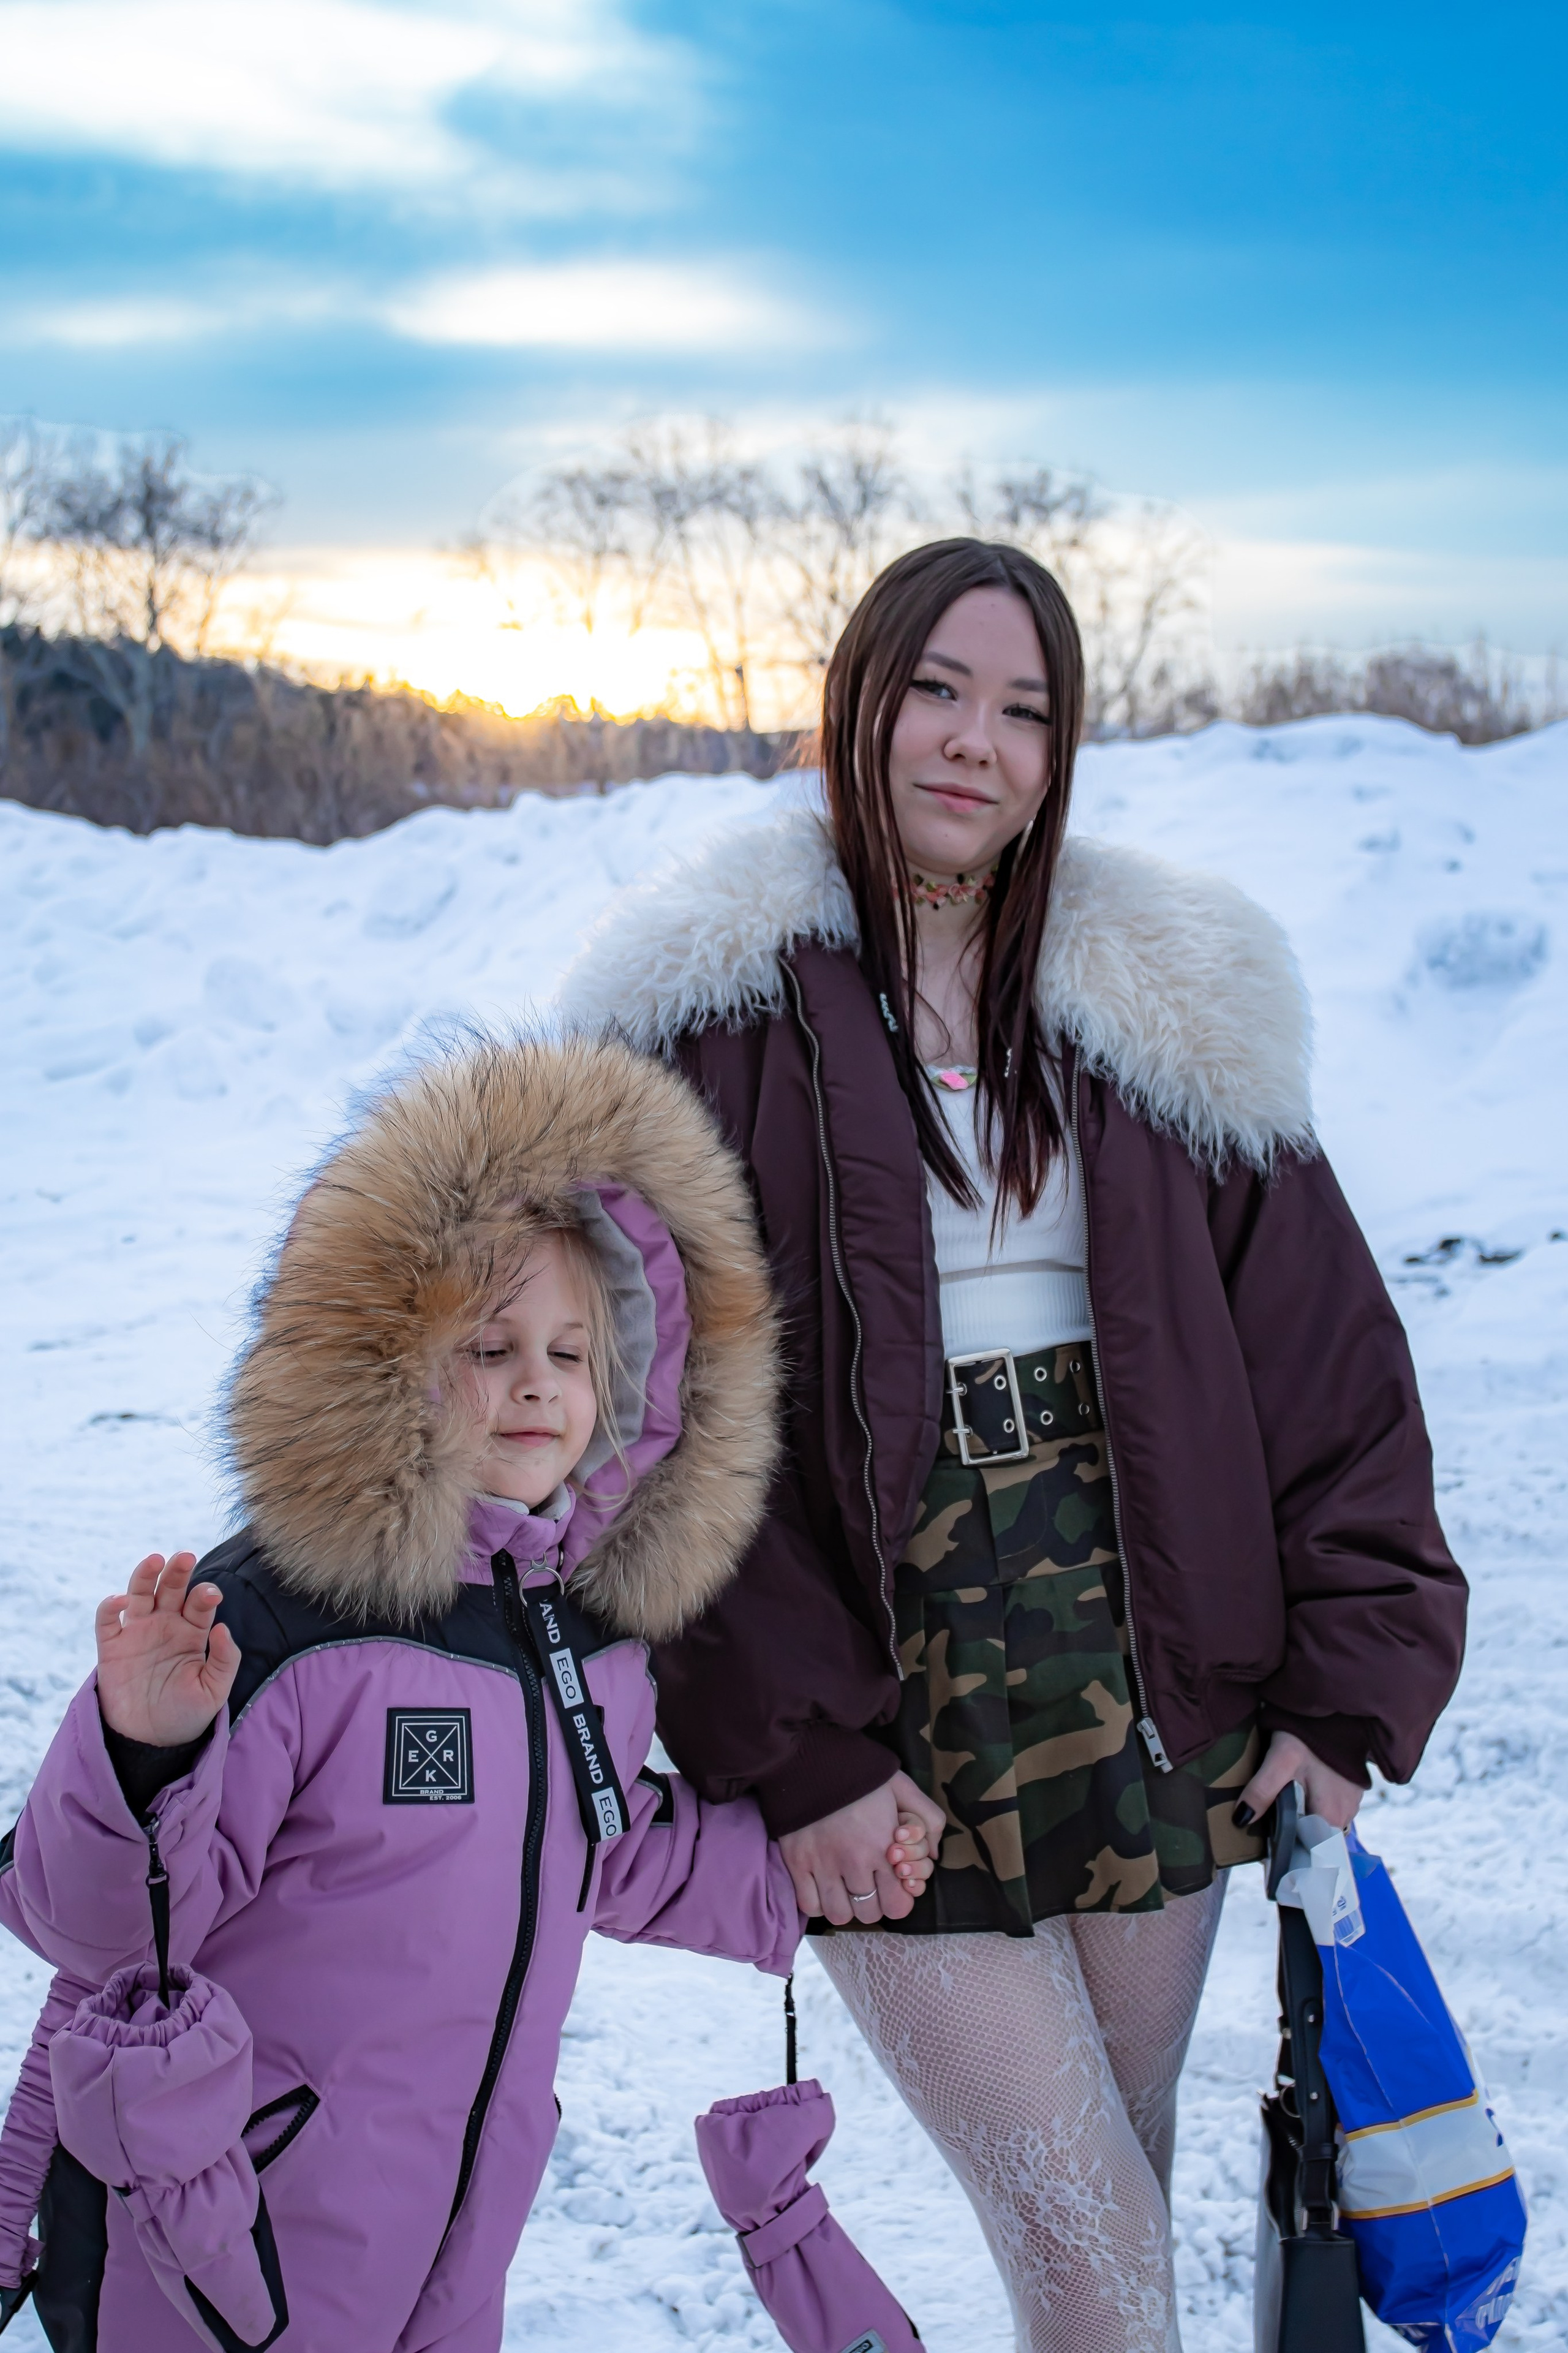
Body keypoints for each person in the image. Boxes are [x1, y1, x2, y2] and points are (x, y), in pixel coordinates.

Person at [559, 538, 1469, 2352]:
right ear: (864, 702)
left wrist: (1346, 1687)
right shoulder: (710, 1014)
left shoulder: (1162, 1001)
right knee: (1086, 2245)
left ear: (1061, 754)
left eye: (1027, 709)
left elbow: (1326, 1365)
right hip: (880, 1684)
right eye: (939, 691)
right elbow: (646, 1428)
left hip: (1155, 1672)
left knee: (1117, 2193)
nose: (976, 741)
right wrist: (796, 1752)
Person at [0, 1034, 932, 2352]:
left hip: (458, 2227)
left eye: (571, 1348)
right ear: (391, 1364)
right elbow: (98, 1930)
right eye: (490, 1345)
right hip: (223, 2229)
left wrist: (795, 1871)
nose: (538, 1382)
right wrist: (142, 1745)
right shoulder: (289, 1619)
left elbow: (609, 1850)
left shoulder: (585, 1636)